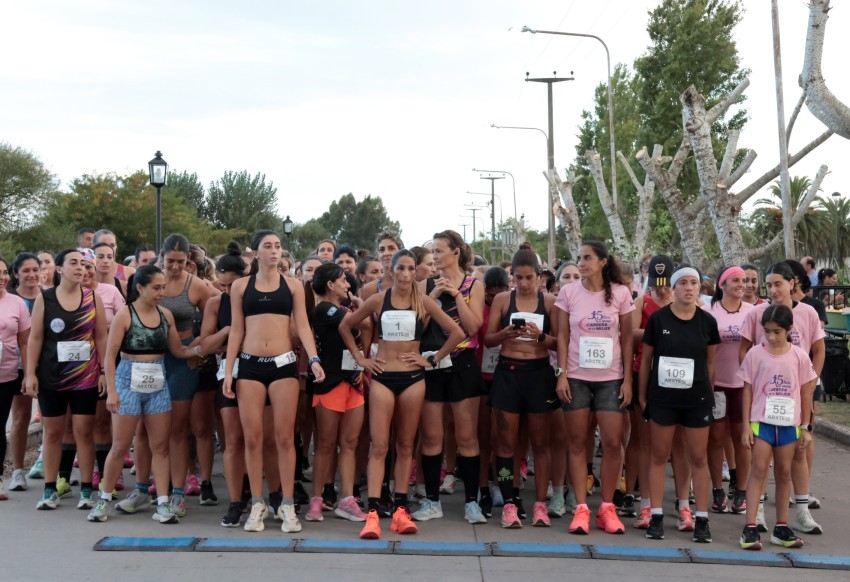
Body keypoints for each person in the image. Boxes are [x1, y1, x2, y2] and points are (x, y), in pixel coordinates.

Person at [338, 249, 464, 539]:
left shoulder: (424, 302)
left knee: (406, 445)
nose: (406, 274)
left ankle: (401, 509)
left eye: (410, 268)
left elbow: (457, 333)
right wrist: (361, 359)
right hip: (383, 377)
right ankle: (372, 512)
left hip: (413, 378)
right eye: (401, 269)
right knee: (379, 445)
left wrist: (430, 359)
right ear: (391, 272)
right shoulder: (378, 299)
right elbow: (346, 325)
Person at [223, 229, 326, 534]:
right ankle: (257, 503)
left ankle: (287, 504)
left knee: (284, 439)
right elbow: (236, 332)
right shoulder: (241, 286)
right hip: (251, 366)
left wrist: (315, 358)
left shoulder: (293, 286)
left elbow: (304, 327)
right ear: (255, 252)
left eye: (278, 246)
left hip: (284, 366)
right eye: (267, 246)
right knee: (252, 438)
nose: (274, 250)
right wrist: (229, 371)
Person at [86, 265, 198, 523]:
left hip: (157, 381)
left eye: (163, 287)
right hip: (128, 379)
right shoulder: (126, 315)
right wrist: (112, 392)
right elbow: (110, 356)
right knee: (121, 445)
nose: (162, 292)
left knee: (160, 445)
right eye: (156, 288)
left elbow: (178, 351)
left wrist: (204, 349)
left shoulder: (166, 315)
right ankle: (103, 500)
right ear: (140, 288)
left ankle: (161, 503)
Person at [555, 242, 635, 535]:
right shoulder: (568, 292)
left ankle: (608, 507)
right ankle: (580, 508)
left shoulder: (621, 293)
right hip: (575, 376)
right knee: (576, 442)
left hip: (611, 379)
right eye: (579, 258)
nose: (582, 263)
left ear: (602, 262)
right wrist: (561, 374)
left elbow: (627, 339)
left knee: (613, 442)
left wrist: (627, 379)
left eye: (587, 258)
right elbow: (562, 335)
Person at [739, 262, 824, 535]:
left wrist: (810, 382)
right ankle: (757, 514)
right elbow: (746, 351)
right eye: (769, 285)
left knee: (796, 456)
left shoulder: (808, 312)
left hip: (799, 391)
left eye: (778, 283)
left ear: (793, 283)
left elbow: (818, 349)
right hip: (764, 403)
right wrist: (757, 379)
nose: (773, 289)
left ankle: (800, 512)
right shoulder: (756, 314)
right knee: (760, 465)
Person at [134, 234, 216, 517]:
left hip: (182, 362)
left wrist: (199, 346)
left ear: (189, 261)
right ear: (161, 256)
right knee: (144, 429)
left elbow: (215, 315)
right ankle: (142, 489)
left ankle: (177, 494)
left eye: (181, 262)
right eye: (171, 261)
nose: (176, 267)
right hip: (149, 360)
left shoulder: (198, 286)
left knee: (178, 430)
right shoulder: (146, 279)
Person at [639, 264, 720, 543]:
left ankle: (701, 519)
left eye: (693, 283)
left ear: (700, 288)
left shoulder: (707, 322)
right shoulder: (658, 320)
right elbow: (647, 360)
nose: (688, 287)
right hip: (663, 399)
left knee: (698, 458)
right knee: (659, 456)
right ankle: (657, 515)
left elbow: (710, 364)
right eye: (683, 283)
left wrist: (707, 395)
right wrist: (643, 396)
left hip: (696, 399)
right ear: (673, 288)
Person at [24, 249, 108, 511]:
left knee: (84, 432)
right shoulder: (45, 299)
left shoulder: (93, 298)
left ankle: (85, 491)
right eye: (73, 263)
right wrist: (29, 373)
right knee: (53, 433)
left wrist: (104, 371)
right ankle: (50, 490)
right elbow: (36, 338)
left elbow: (101, 337)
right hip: (52, 377)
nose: (80, 269)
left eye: (83, 264)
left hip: (86, 378)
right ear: (59, 268)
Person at [416, 230, 486, 524]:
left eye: (439, 251)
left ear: (456, 252)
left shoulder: (474, 285)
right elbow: (416, 326)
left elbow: (472, 328)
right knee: (432, 436)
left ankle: (472, 502)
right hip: (433, 365)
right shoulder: (423, 284)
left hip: (463, 364)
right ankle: (432, 501)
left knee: (466, 436)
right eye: (432, 251)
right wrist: (431, 297)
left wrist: (456, 295)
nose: (434, 256)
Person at [485, 249, 559, 528]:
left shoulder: (549, 301)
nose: (524, 283)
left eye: (530, 278)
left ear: (540, 277)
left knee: (541, 444)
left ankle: (540, 503)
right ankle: (508, 502)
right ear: (511, 277)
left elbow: (560, 341)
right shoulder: (504, 300)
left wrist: (539, 335)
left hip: (539, 373)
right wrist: (506, 333)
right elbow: (489, 339)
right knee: (506, 445)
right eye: (519, 278)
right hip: (508, 372)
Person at [305, 263, 369, 523]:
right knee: (326, 444)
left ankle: (346, 499)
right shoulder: (323, 308)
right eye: (343, 280)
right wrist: (362, 304)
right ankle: (317, 500)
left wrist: (359, 306)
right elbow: (358, 321)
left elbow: (365, 326)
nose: (348, 284)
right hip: (330, 382)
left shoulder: (343, 308)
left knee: (350, 444)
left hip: (353, 381)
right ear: (330, 285)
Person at [701, 266, 753, 515]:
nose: (742, 284)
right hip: (716, 385)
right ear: (722, 284)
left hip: (743, 386)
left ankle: (741, 491)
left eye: (744, 281)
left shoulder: (753, 313)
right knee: (715, 440)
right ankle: (717, 490)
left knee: (743, 441)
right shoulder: (707, 311)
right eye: (736, 280)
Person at [0, 255, 31, 500]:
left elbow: (24, 342)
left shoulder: (16, 303)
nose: (1, 278)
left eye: (3, 273)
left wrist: (28, 373)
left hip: (8, 374)